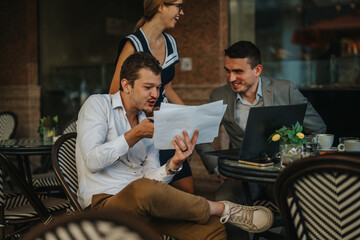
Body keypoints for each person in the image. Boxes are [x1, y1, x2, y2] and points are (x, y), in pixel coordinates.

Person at [76, 52, 274, 239]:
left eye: (158, 87)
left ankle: (218, 213)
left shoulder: (147, 121)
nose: (155, 94)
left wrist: (175, 163)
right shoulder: (98, 105)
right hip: (104, 205)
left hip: (146, 206)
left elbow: (152, 181)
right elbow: (92, 161)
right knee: (143, 191)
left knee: (212, 230)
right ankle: (223, 208)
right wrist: (135, 134)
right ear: (126, 85)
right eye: (148, 87)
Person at [196, 40, 326, 239]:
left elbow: (317, 129)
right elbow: (201, 136)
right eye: (227, 71)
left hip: (280, 175)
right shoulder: (219, 95)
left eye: (238, 71)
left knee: (299, 202)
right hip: (242, 176)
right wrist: (218, 169)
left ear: (257, 70)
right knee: (224, 198)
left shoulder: (286, 90)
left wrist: (293, 155)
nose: (231, 78)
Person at [109, 0, 193, 193]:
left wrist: (190, 116)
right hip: (144, 129)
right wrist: (149, 109)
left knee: (188, 190)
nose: (182, 12)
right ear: (161, 6)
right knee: (156, 191)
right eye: (178, 6)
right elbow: (115, 93)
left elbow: (168, 90)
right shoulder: (133, 44)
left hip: (165, 123)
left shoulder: (171, 42)